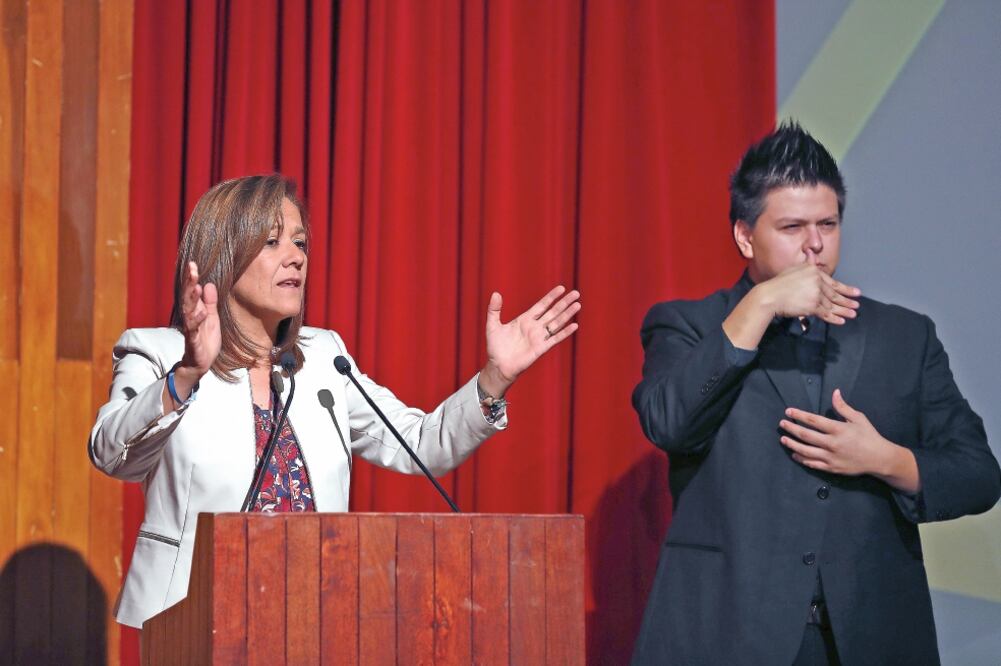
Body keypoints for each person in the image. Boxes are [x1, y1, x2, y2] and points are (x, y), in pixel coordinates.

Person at [88, 174, 581, 629]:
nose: (296, 256)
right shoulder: (159, 353)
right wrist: (187, 375)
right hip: (194, 622)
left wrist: (493, 378)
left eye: (300, 242)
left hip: (316, 618)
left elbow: (423, 443)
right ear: (224, 252)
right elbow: (111, 452)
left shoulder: (324, 357)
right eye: (273, 240)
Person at [630, 122, 1000, 665]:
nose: (815, 244)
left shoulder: (904, 334)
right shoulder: (688, 326)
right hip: (729, 638)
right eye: (792, 226)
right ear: (744, 236)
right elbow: (670, 422)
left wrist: (887, 460)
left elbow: (978, 476)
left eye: (828, 223)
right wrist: (760, 305)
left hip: (872, 638)